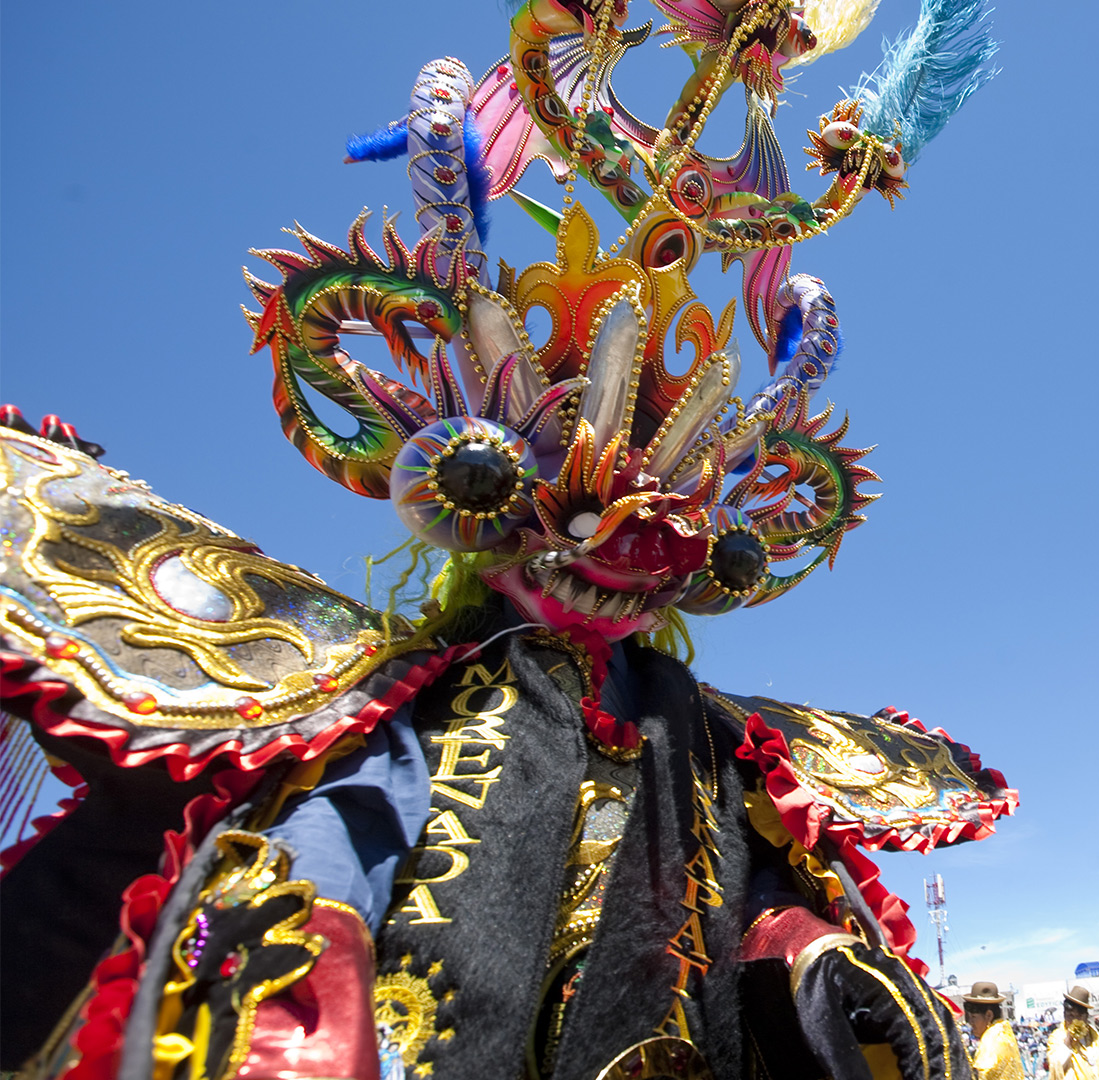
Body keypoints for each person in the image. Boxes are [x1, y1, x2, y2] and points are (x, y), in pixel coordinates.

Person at [0, 2, 1009, 1078]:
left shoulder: (707, 746)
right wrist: (308, 963)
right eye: (529, 488)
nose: (627, 543)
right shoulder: (413, 703)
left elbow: (750, 892)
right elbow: (341, 836)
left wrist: (807, 955)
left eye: (700, 548)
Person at [1050, 986, 1099, 1080]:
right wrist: (1068, 1042)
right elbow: (1055, 1067)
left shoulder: (1096, 1036)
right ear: (1065, 1014)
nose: (1075, 1019)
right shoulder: (1057, 1037)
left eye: (1079, 1016)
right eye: (1070, 1015)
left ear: (1086, 1016)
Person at [967, 982, 1025, 1080]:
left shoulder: (990, 1040)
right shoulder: (1004, 1031)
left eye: (973, 1017)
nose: (970, 1022)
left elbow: (982, 1074)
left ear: (989, 1015)